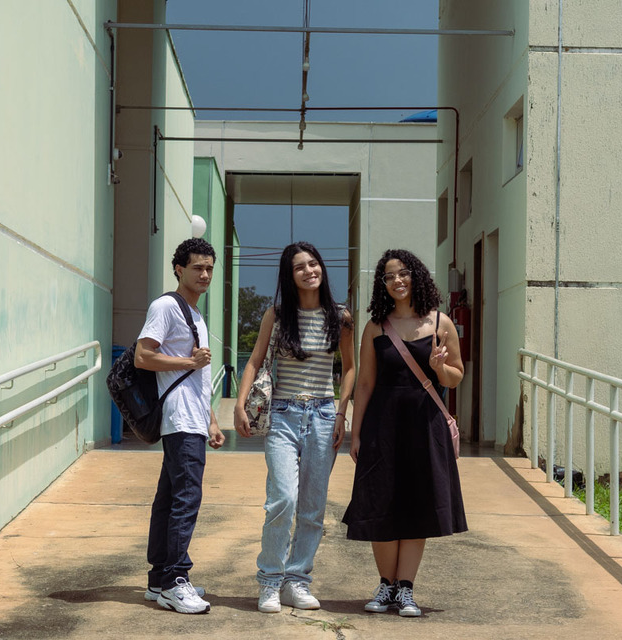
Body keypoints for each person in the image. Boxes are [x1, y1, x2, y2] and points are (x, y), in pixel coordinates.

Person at [342, 248, 467, 617]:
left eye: (403, 273)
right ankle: (387, 585)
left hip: (425, 426)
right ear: (383, 284)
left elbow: (456, 377)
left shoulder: (441, 323)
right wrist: (356, 433)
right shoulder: (375, 327)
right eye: (389, 276)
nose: (397, 281)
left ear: (417, 276)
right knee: (380, 503)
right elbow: (365, 383)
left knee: (417, 505)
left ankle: (406, 588)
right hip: (382, 425)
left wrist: (439, 368)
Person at [234, 242, 356, 614]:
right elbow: (255, 361)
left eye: (313, 263)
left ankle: (297, 580)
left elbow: (350, 367)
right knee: (283, 499)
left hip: (323, 415)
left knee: (313, 507)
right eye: (299, 267)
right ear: (290, 276)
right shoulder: (277, 315)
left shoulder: (341, 317)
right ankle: (270, 581)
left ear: (322, 268)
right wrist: (239, 404)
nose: (308, 271)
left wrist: (341, 413)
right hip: (283, 415)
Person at [136, 237, 226, 614]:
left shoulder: (196, 315)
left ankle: (159, 579)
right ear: (179, 269)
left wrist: (211, 420)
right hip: (179, 417)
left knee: (170, 498)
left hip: (193, 418)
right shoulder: (166, 306)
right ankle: (175, 580)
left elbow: (199, 378)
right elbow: (143, 356)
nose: (204, 274)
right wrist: (189, 362)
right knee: (186, 499)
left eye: (209, 268)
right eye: (197, 268)